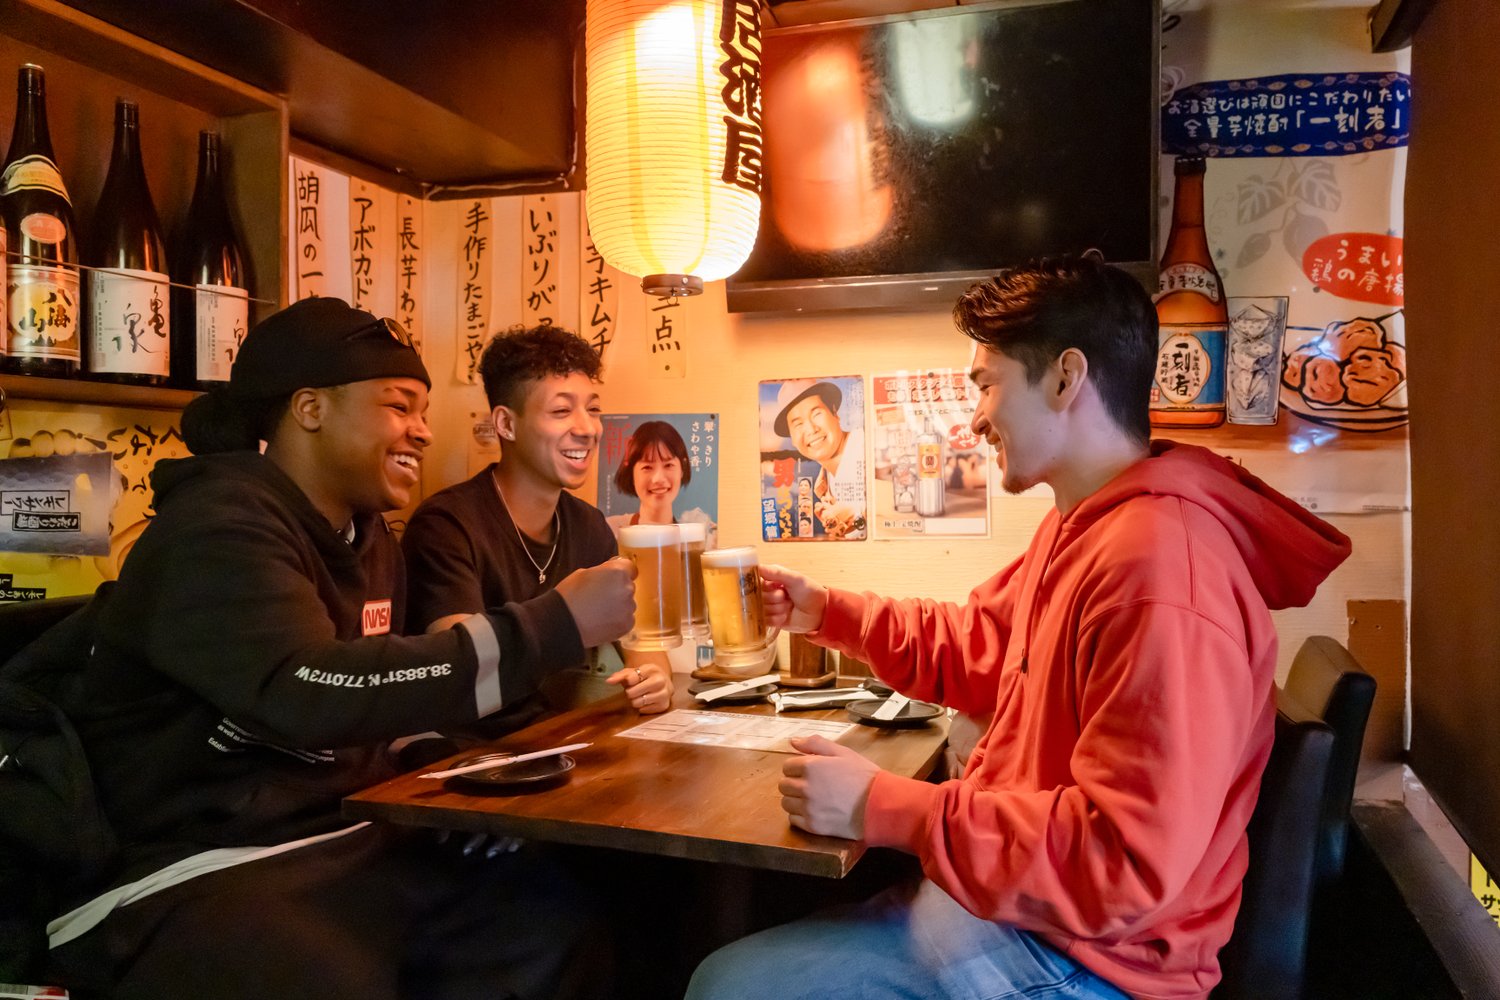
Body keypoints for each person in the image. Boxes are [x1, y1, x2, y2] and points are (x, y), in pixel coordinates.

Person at [687, 255, 1352, 1000]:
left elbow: (1124, 864)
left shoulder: (1160, 571)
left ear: (1066, 378)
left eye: (985, 384)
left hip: (1089, 961)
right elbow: (982, 648)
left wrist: (885, 807)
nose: (975, 417)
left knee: (727, 987)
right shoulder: (1086, 526)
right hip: (1026, 911)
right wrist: (829, 613)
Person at [37, 297, 632, 1000]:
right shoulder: (217, 527)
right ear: (310, 408)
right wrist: (553, 624)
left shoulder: (367, 539)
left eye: (423, 412)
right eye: (399, 406)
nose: (422, 431)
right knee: (333, 975)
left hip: (338, 834)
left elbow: (381, 707)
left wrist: (455, 773)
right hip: (189, 863)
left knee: (552, 920)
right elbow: (306, 691)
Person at [403, 324, 673, 733]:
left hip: (561, 741)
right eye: (562, 411)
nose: (588, 428)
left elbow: (642, 643)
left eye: (593, 409)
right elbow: (461, 672)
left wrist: (654, 678)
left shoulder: (588, 525)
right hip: (472, 753)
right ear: (506, 424)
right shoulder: (446, 526)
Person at [771, 378, 866, 539]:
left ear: (835, 413)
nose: (811, 429)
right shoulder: (825, 484)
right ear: (792, 438)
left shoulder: (865, 446)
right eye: (798, 424)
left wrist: (857, 511)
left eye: (817, 414)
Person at [604, 419, 715, 544]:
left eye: (668, 465)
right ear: (631, 473)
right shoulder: (609, 531)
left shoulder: (698, 538)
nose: (658, 479)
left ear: (682, 469)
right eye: (647, 467)